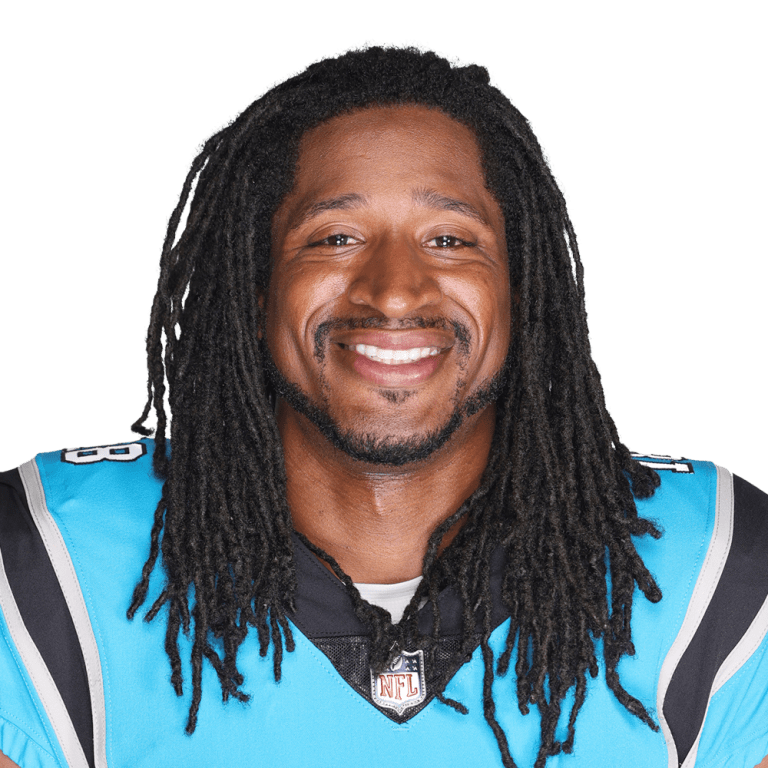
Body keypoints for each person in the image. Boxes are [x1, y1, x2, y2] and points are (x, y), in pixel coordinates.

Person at [0, 43, 766, 768]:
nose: (394, 291)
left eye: (450, 240)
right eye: (335, 237)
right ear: (256, 288)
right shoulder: (47, 561)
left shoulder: (721, 570)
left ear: (522, 287)